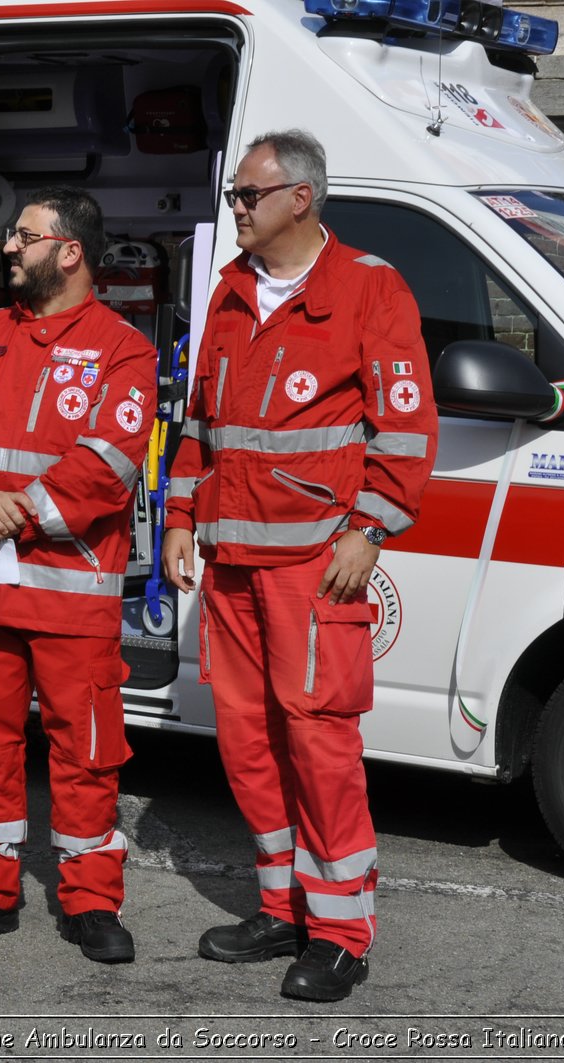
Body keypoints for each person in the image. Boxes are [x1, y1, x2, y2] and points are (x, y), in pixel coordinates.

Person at [162, 130, 437, 1001]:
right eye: (236, 194)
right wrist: (178, 514)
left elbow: (406, 429)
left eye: (248, 194)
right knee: (249, 747)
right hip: (234, 565)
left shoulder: (370, 288)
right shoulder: (232, 291)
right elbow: (201, 420)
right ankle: (282, 907)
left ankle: (342, 931)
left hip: (317, 567)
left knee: (320, 747)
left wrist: (372, 529)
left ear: (300, 199)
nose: (235, 207)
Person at [0, 186, 157, 964]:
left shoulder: (125, 348)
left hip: (67, 594)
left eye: (24, 236)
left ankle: (90, 900)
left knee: (86, 754)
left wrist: (6, 510)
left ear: (70, 250)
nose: (8, 247)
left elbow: (108, 466)